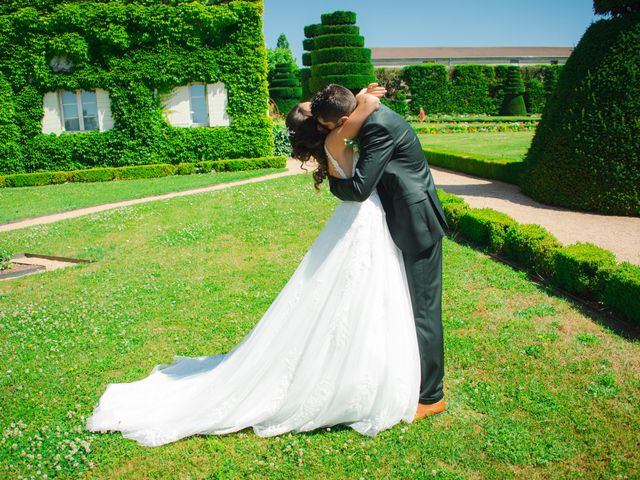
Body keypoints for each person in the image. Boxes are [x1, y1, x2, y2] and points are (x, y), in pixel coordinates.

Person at [85, 86, 421, 447]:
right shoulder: (338, 137)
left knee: (360, 295)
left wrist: (357, 97)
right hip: (362, 221)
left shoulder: (337, 133)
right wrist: (368, 99)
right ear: (329, 126)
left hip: (363, 221)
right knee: (355, 291)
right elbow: (358, 113)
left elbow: (348, 112)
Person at [311, 84, 448, 419]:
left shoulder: (378, 128)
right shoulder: (362, 114)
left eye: (328, 127)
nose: (326, 132)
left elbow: (359, 188)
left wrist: (332, 179)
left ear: (345, 119)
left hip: (418, 226)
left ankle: (432, 397)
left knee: (423, 311)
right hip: (401, 219)